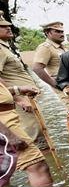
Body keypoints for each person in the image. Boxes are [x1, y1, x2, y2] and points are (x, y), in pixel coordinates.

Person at [0, 16, 44, 144]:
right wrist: (19, 98)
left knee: (40, 135)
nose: (8, 27)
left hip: (26, 98)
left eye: (7, 25)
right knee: (33, 138)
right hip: (19, 101)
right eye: (2, 26)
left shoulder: (5, 47)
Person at [0, 80, 52, 187]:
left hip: (7, 123)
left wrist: (17, 90)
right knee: (37, 166)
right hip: (5, 127)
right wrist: (9, 135)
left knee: (3, 175)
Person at [31, 22, 65, 89]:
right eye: (57, 32)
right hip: (61, 84)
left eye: (62, 32)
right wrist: (55, 84)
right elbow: (37, 68)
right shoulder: (45, 47)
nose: (62, 34)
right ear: (47, 33)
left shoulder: (63, 47)